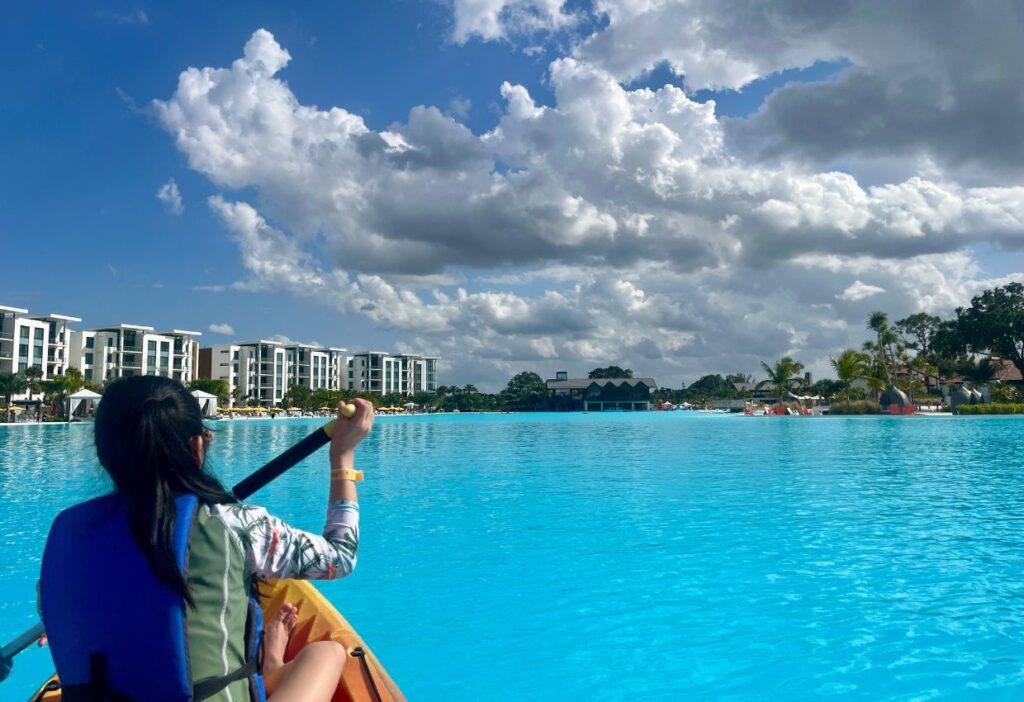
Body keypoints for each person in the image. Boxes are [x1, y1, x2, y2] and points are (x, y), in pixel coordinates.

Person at [38, 376, 375, 701]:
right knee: (326, 653)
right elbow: (340, 556)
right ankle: (271, 666)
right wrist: (342, 456)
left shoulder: (68, 535)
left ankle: (270, 665)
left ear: (103, 454)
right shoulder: (235, 524)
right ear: (198, 445)